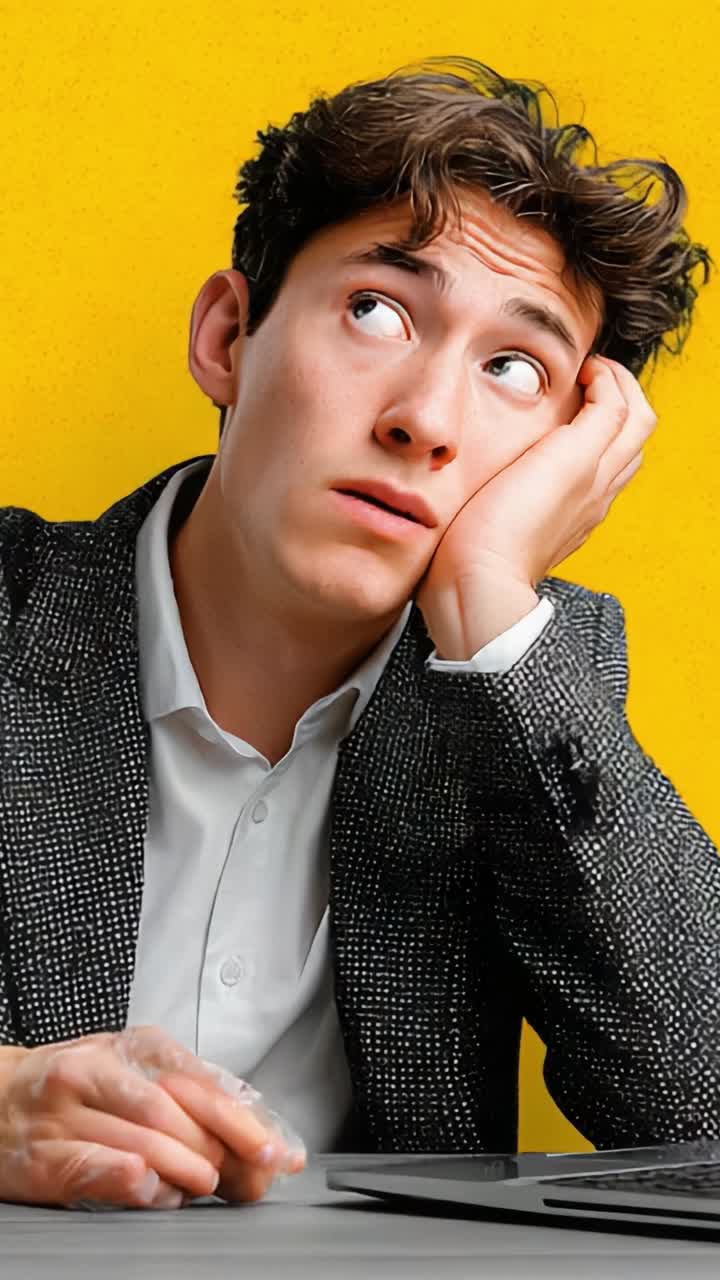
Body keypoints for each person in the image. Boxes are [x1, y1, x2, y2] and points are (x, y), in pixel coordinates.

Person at [0, 55, 718, 1212]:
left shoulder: (528, 686)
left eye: (514, 368)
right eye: (377, 310)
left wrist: (488, 597)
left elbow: (704, 1105)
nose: (426, 419)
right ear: (229, 336)